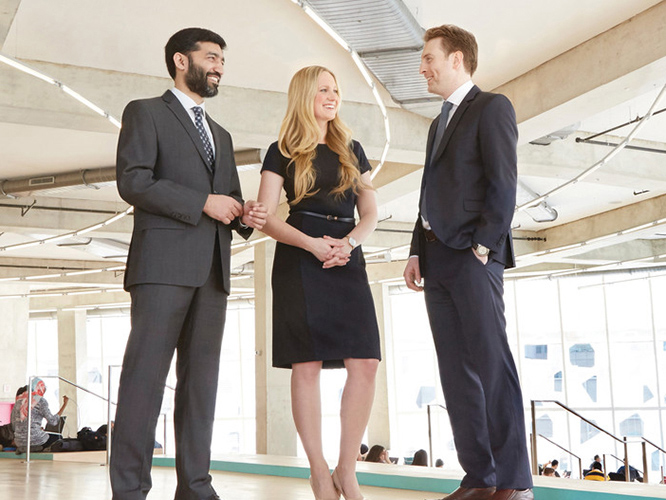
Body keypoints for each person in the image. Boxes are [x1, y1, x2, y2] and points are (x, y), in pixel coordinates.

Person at [110, 27, 267, 500]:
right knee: (145, 382)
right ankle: (130, 491)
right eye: (212, 57)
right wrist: (203, 201)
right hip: (161, 267)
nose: (220, 66)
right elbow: (133, 181)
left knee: (201, 387)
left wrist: (246, 214)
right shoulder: (145, 113)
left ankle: (196, 488)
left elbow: (228, 201)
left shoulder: (221, 134)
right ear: (181, 61)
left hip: (213, 272)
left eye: (223, 60)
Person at [402, 24, 531, 500]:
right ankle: (480, 476)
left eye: (429, 58)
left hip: (474, 258)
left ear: (457, 59)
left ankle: (514, 481)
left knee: (491, 367)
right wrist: (417, 248)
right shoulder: (439, 122)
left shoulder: (492, 107)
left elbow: (503, 185)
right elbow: (428, 193)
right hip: (436, 260)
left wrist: (482, 247)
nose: (422, 68)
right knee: (455, 373)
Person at [257, 65, 381, 500]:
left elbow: (370, 213)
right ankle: (317, 471)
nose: (332, 96)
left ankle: (348, 471)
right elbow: (267, 217)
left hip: (347, 255)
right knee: (305, 366)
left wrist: (347, 244)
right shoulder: (281, 150)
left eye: (335, 90)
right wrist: (312, 245)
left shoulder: (352, 148)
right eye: (323, 89)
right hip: (300, 255)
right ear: (304, 95)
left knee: (365, 361)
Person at [11, 379, 68, 451]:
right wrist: (65, 404)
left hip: (19, 441)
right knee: (58, 438)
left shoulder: (18, 401)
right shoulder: (40, 401)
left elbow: (13, 424)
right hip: (36, 440)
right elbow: (53, 421)